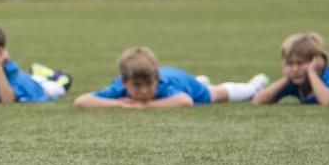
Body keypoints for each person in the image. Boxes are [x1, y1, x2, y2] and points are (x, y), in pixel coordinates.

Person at [73, 47, 269, 108]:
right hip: (179, 79)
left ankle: (254, 87)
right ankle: (202, 79)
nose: (143, 91)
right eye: (137, 85)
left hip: (184, 82)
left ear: (156, 79)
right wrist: (120, 104)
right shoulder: (118, 87)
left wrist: (145, 106)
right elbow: (81, 101)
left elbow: (185, 101)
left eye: (149, 84)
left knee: (216, 93)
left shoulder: (164, 86)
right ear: (124, 82)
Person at [0, 23, 72, 103]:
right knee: (33, 77)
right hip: (24, 79)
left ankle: (58, 76)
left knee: (60, 88)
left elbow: (7, 100)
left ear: (3, 51)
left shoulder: (9, 67)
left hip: (38, 89)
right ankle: (38, 74)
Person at [252, 32, 329, 106]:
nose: (295, 69)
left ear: (317, 61)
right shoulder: (295, 82)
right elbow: (258, 100)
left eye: (300, 63)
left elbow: (328, 102)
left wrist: (311, 72)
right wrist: (286, 78)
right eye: (289, 63)